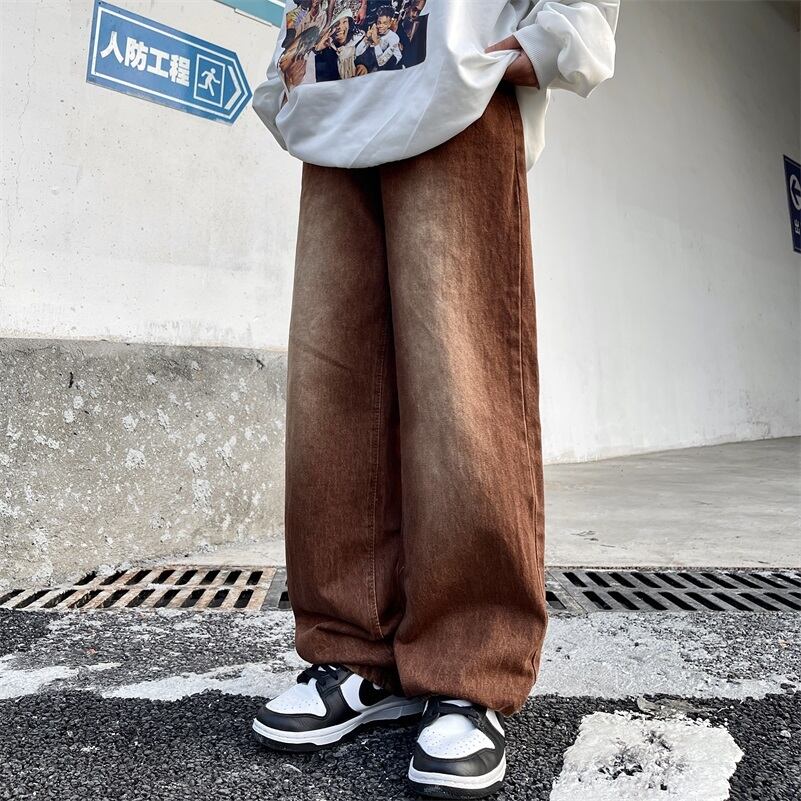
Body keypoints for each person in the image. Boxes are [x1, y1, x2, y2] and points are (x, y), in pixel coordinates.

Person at [252, 1, 619, 797]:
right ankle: (350, 650)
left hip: (458, 95)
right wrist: (293, 64)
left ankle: (466, 666)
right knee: (331, 388)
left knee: (463, 387)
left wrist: (547, 42)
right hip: (341, 96)